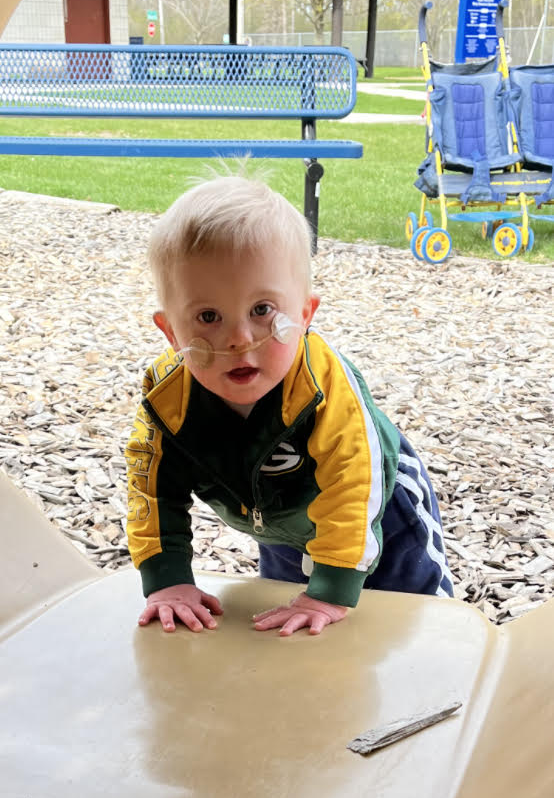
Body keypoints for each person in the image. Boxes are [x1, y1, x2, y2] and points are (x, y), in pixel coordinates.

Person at [125, 173, 453, 638]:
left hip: (378, 506)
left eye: (262, 310)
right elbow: (153, 489)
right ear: (171, 332)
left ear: (304, 315)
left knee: (409, 622)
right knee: (298, 630)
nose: (239, 339)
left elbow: (353, 482)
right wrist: (168, 580)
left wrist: (331, 588)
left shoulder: (324, 387)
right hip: (275, 519)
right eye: (208, 317)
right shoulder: (168, 399)